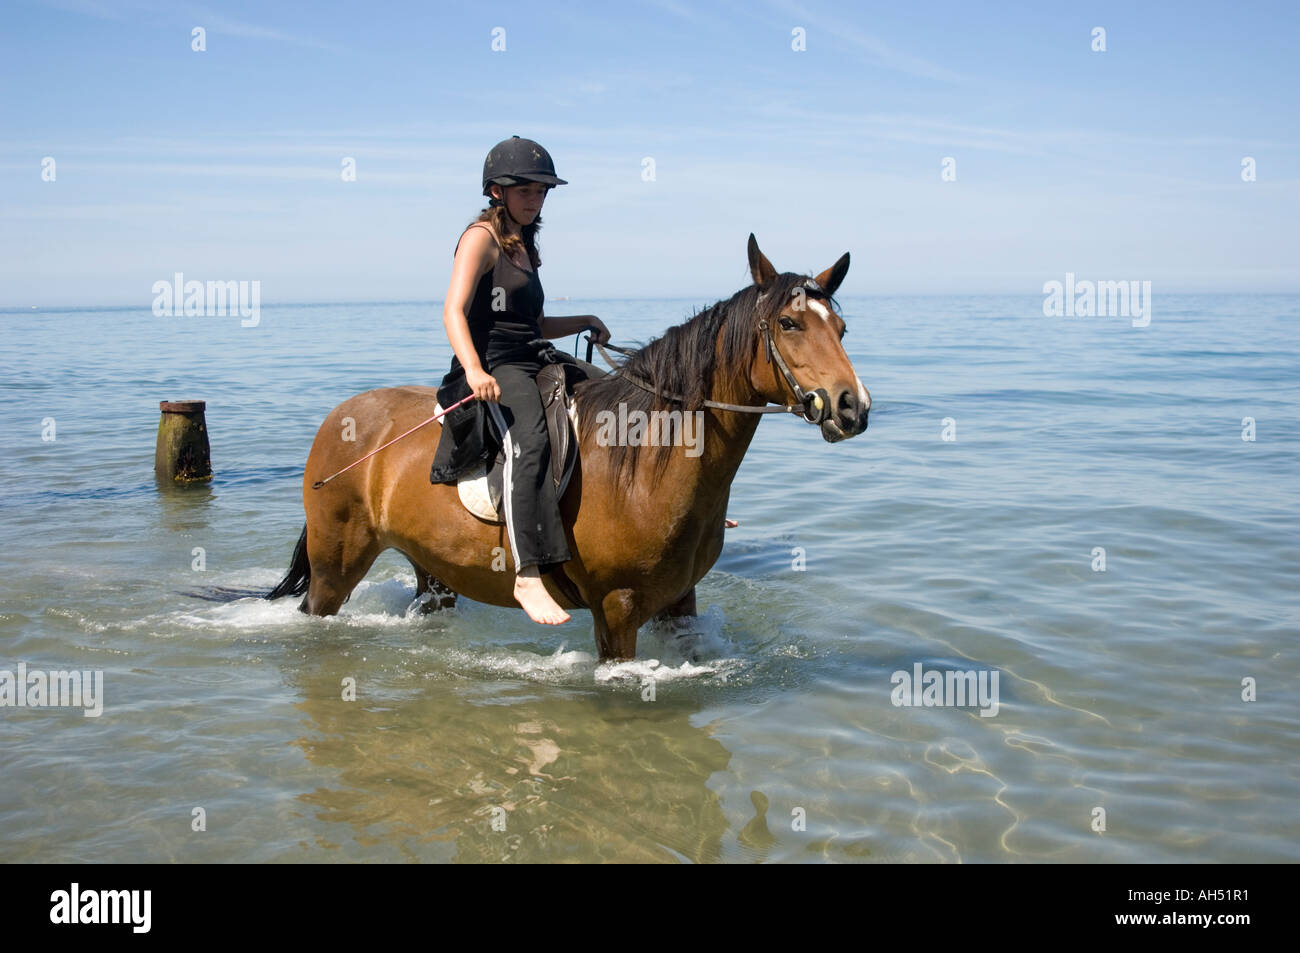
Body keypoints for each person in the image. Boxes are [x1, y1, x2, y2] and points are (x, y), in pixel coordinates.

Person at [437, 136, 610, 625]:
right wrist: (473, 370)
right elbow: (452, 311)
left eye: (542, 192)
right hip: (494, 365)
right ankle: (527, 572)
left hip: (535, 355)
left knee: (621, 400)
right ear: (497, 191)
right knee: (529, 440)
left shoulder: (524, 245)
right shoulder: (481, 238)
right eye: (527, 191)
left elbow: (530, 326)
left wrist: (583, 320)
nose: (536, 199)